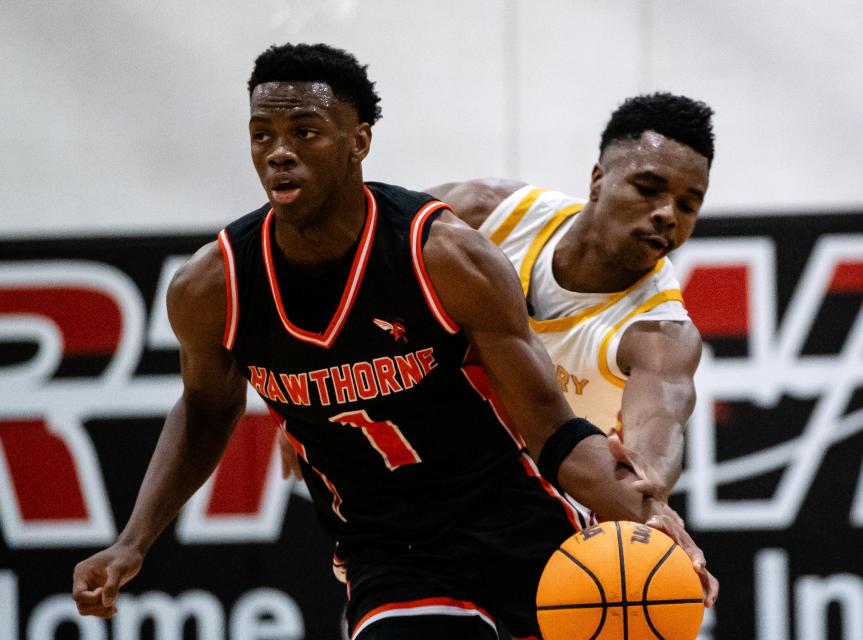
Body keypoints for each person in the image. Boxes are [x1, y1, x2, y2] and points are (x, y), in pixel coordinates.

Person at [71, 44, 716, 639]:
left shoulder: (640, 325)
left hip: (526, 511)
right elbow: (209, 406)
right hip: (389, 549)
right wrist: (134, 539)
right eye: (262, 134)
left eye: (304, 131)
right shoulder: (215, 285)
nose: (278, 152)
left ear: (359, 141)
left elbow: (592, 432)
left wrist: (655, 513)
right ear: (598, 178)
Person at [426, 92, 713, 516]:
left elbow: (658, 423)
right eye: (648, 189)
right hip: (432, 475)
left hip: (538, 510)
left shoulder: (659, 332)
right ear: (597, 180)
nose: (668, 214)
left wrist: (649, 485)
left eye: (688, 205)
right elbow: (362, 240)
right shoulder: (489, 213)